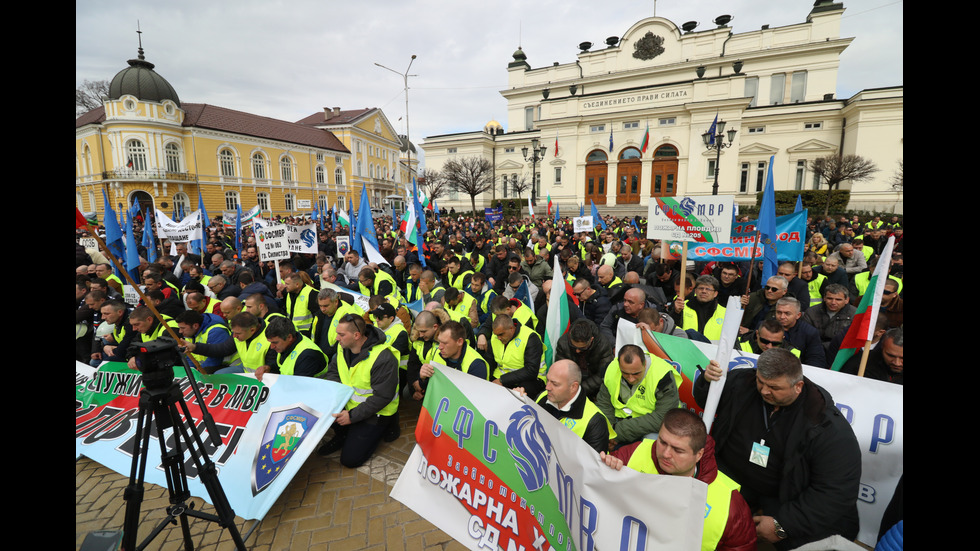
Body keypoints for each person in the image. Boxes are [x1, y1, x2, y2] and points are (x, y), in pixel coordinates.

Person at [694, 349, 861, 549]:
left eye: (774, 387)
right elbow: (706, 399)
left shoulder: (825, 426)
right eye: (761, 382)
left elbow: (836, 493)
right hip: (729, 482)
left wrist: (783, 526)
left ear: (798, 386)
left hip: (782, 500)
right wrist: (707, 381)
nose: (764, 391)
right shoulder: (742, 382)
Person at [601, 409, 756, 551]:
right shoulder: (633, 454)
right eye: (662, 442)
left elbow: (742, 547)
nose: (666, 454)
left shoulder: (729, 504)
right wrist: (605, 468)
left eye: (678, 450)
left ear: (699, 454)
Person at [318, 313, 400, 468]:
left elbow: (382, 397)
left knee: (350, 460)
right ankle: (343, 434)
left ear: (356, 335)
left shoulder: (382, 357)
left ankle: (388, 425)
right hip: (350, 405)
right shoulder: (343, 347)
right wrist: (336, 399)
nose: (336, 338)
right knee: (321, 406)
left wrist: (351, 416)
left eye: (341, 334)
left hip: (378, 412)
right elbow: (333, 372)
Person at [595, 344, 681, 446]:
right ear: (619, 366)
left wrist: (618, 432)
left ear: (645, 365)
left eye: (636, 373)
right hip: (618, 424)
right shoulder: (611, 368)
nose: (631, 379)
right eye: (625, 373)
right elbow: (604, 404)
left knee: (653, 444)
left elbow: (662, 417)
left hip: (651, 427)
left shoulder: (662, 376)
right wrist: (608, 433)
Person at [533, 360, 612, 454]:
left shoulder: (595, 421)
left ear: (573, 387)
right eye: (548, 380)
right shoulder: (543, 397)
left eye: (555, 384)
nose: (547, 387)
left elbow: (593, 465)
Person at [415, 320, 490, 394]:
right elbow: (430, 388)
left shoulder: (476, 365)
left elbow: (475, 398)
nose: (440, 347)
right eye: (439, 342)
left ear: (459, 342)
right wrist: (423, 378)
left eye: (444, 343)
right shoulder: (438, 353)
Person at [553, 318, 614, 400]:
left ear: (591, 340)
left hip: (595, 388)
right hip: (570, 386)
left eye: (582, 348)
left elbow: (603, 375)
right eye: (573, 346)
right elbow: (560, 370)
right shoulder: (563, 343)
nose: (577, 351)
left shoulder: (603, 345)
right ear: (570, 336)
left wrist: (579, 391)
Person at [488, 313, 546, 397]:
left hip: (531, 379)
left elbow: (531, 370)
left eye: (501, 334)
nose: (498, 338)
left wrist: (502, 380)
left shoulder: (530, 337)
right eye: (496, 335)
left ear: (511, 329)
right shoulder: (495, 337)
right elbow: (489, 361)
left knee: (520, 395)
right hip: (503, 376)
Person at [802, 284, 856, 357]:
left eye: (838, 299)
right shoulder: (811, 312)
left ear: (847, 300)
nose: (833, 302)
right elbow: (806, 336)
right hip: (815, 350)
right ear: (824, 298)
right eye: (829, 298)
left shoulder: (855, 314)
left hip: (841, 353)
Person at [773, 297, 827, 368]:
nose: (782, 317)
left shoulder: (810, 332)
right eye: (779, 312)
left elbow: (816, 359)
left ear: (798, 315)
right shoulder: (765, 327)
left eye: (787, 313)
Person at [671, 275, 726, 341]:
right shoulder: (682, 306)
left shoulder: (725, 312)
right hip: (686, 347)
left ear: (715, 294)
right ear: (695, 291)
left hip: (712, 349)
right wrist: (676, 312)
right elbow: (672, 328)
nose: (704, 291)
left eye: (708, 289)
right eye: (701, 288)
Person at [735, 319, 799, 357]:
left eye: (775, 343)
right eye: (764, 341)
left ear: (783, 338)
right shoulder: (738, 342)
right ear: (757, 334)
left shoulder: (792, 353)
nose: (769, 347)